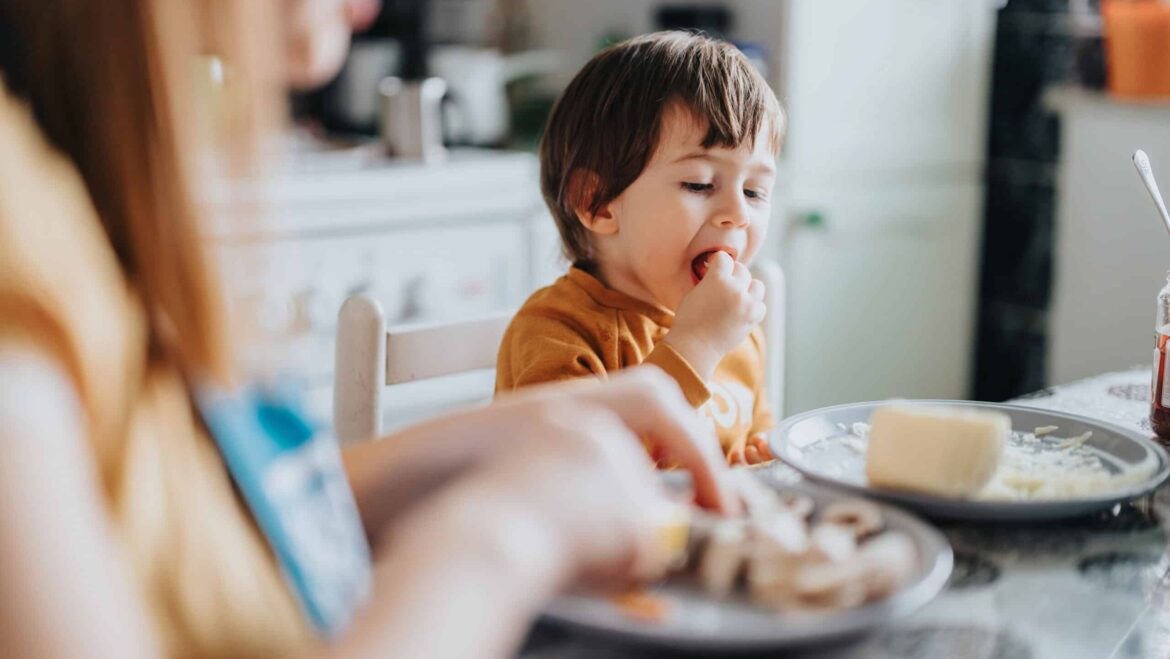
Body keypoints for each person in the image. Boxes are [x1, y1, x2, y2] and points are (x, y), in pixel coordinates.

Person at [0, 2, 739, 657]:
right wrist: (507, 534)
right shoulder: (16, 237)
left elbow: (179, 535)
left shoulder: (75, 168)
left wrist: (511, 436)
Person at [495, 32, 783, 466]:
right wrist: (696, 346)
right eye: (699, 184)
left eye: (755, 191)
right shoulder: (556, 333)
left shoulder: (738, 333)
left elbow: (754, 442)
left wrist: (757, 458)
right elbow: (577, 473)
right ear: (598, 203)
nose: (738, 214)